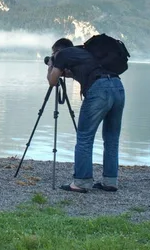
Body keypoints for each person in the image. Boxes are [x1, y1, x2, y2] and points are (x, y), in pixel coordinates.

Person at [46, 37, 126, 193]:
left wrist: (51, 65)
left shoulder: (62, 55)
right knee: (111, 138)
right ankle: (110, 181)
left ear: (57, 51)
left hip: (99, 90)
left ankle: (81, 183)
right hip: (118, 87)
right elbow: (82, 72)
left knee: (84, 138)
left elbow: (52, 81)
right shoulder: (86, 52)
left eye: (53, 54)